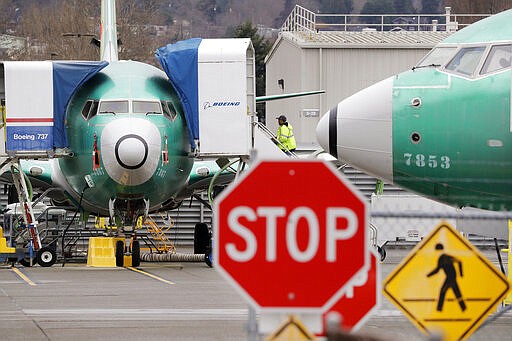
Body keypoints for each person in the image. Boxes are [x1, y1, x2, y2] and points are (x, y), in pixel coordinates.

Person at [427, 243, 466, 312]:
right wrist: (429, 275)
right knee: (457, 293)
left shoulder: (444, 258)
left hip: (450, 278)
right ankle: (463, 308)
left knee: (443, 292)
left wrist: (461, 273)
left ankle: (439, 309)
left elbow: (459, 261)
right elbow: (437, 270)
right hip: (451, 277)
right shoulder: (443, 258)